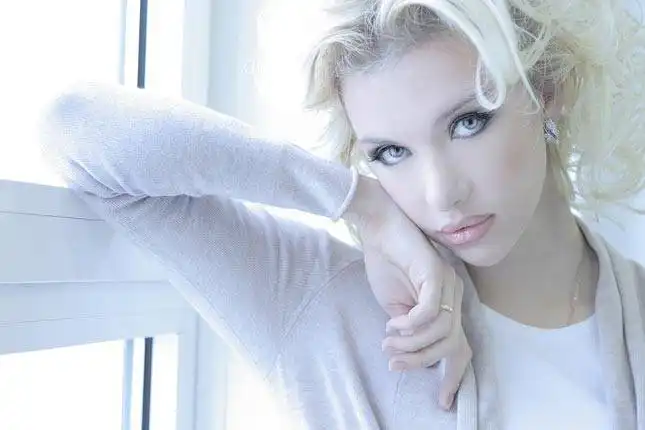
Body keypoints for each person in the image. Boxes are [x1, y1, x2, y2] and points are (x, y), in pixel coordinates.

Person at [37, 0, 645, 428]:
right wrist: (362, 203)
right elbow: (77, 128)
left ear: (549, 90)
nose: (440, 195)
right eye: (391, 153)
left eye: (468, 122)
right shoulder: (326, 302)